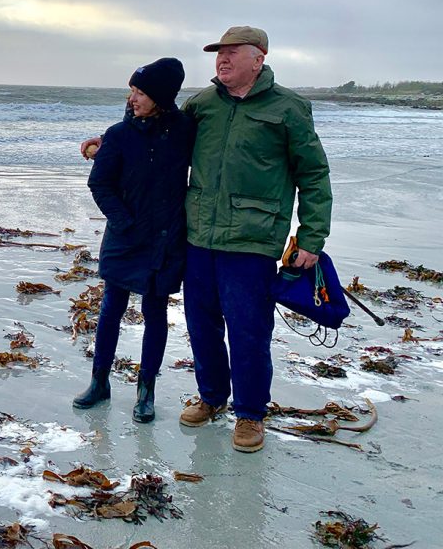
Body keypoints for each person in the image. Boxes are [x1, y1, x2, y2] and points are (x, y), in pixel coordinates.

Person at [80, 26, 332, 453]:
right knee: (201, 325)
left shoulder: (288, 108)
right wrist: (108, 144)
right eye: (219, 53)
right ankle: (212, 397)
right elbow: (158, 129)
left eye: (233, 52)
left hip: (252, 238)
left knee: (249, 330)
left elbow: (313, 173)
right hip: (197, 234)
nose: (222, 59)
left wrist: (311, 236)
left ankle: (250, 414)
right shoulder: (204, 104)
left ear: (259, 58)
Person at [73, 58, 194, 424]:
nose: (132, 98)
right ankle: (99, 382)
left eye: (140, 92)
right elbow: (100, 184)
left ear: (161, 97)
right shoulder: (119, 135)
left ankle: (146, 391)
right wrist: (124, 221)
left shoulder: (185, 131)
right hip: (124, 238)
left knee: (156, 313)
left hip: (165, 238)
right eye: (132, 91)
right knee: (111, 309)